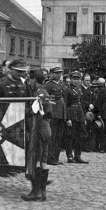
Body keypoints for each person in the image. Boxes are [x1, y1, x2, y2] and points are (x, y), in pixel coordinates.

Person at [22, 72, 52, 202]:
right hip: (46, 128)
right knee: (43, 161)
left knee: (37, 160)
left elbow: (33, 111)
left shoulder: (38, 93)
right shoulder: (45, 91)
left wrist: (23, 111)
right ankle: (43, 191)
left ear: (34, 80)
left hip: (39, 128)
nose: (29, 82)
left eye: (30, 80)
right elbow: (49, 111)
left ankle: (36, 192)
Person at [64, 71, 88, 163]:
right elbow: (66, 105)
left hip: (80, 115)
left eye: (78, 79)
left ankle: (78, 155)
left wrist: (84, 117)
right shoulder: (67, 90)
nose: (76, 81)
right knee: (70, 136)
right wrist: (68, 118)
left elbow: (82, 104)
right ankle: (70, 156)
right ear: (71, 80)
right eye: (74, 79)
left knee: (80, 136)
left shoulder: (80, 90)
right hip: (72, 115)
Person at [44, 67, 67, 165]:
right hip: (53, 113)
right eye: (56, 73)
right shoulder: (48, 85)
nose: (59, 75)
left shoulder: (61, 84)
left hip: (61, 113)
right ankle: (50, 157)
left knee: (59, 136)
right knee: (52, 137)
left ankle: (56, 157)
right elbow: (46, 99)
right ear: (51, 74)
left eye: (60, 73)